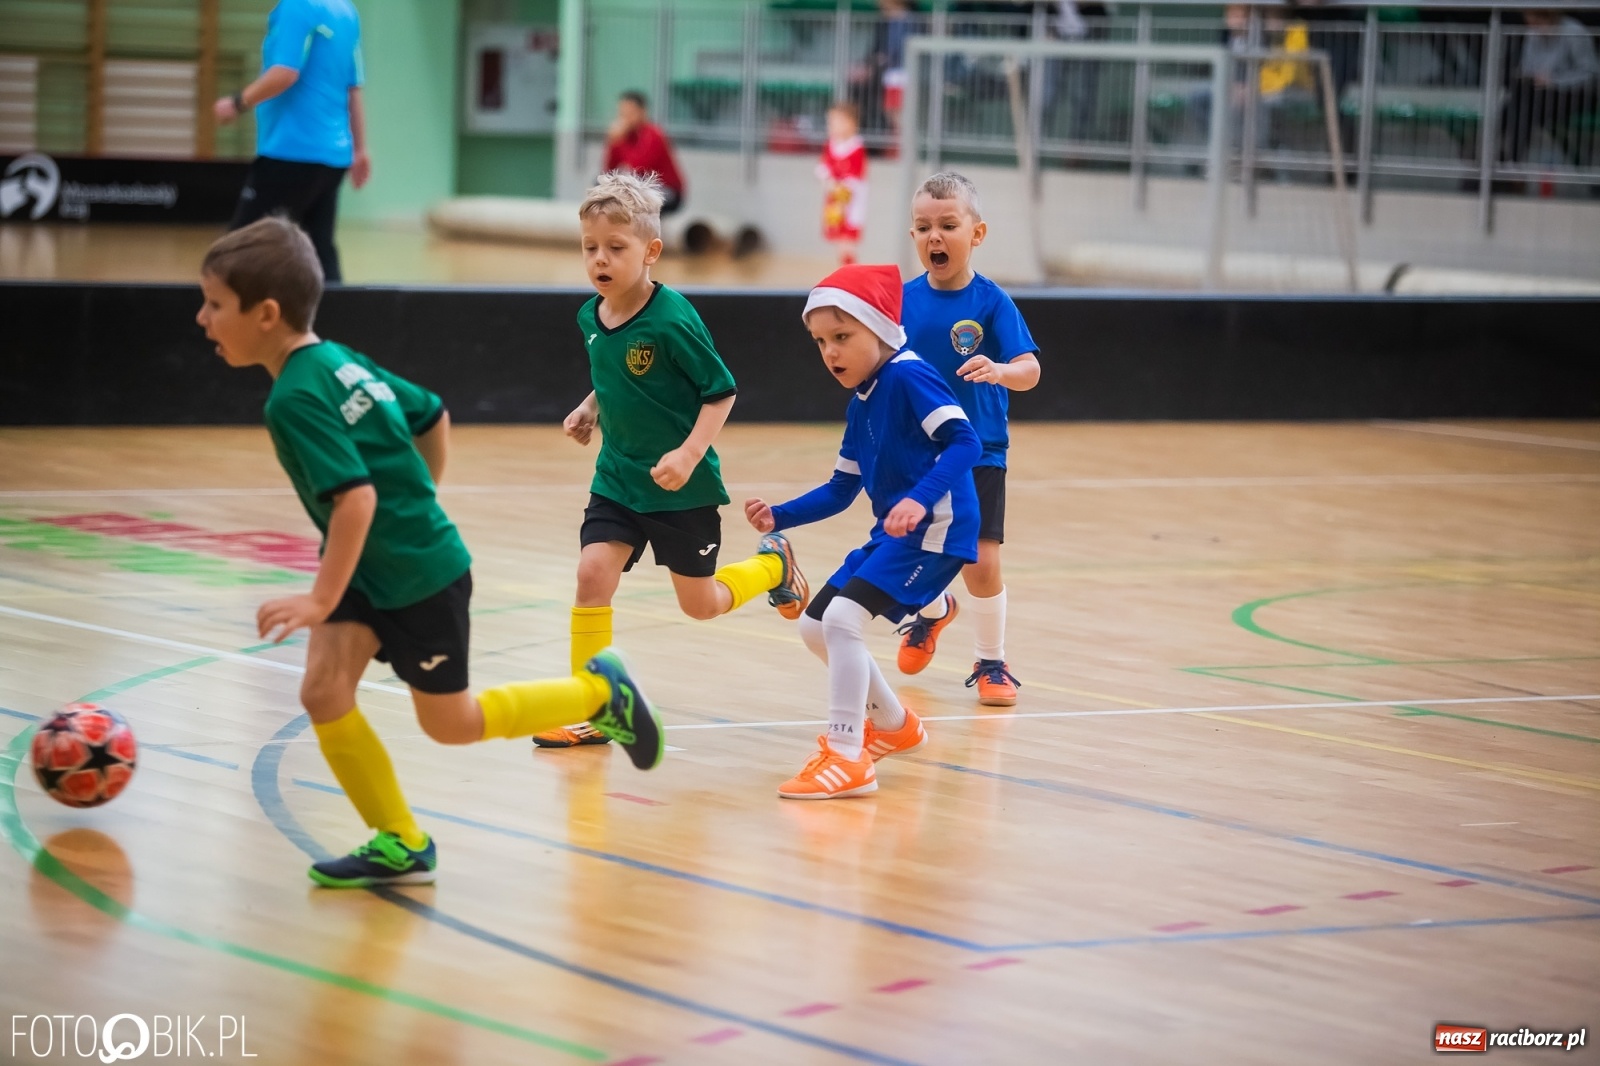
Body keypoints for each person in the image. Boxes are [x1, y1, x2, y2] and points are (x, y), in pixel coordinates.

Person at [196, 217, 664, 887]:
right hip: (372, 565)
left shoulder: (294, 398)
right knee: (324, 691)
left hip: (418, 576)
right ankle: (400, 841)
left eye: (215, 304)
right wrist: (422, 497)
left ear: (265, 314)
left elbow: (354, 500)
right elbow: (433, 414)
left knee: (452, 724)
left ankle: (598, 696)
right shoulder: (338, 361)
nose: (202, 318)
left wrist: (322, 595)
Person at [531, 172, 808, 751]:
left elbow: (721, 391)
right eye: (590, 248)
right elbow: (612, 379)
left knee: (700, 605)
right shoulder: (592, 317)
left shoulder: (674, 318)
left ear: (651, 252)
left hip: (681, 490)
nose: (599, 260)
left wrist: (688, 454)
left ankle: (773, 566)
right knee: (591, 576)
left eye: (615, 248)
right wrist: (588, 409)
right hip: (618, 479)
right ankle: (596, 708)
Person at [745, 263, 981, 799]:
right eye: (821, 341)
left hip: (938, 528)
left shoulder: (909, 374)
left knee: (845, 620)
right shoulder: (862, 402)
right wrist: (779, 516)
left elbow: (964, 441)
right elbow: (839, 490)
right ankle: (895, 726)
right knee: (816, 625)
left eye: (842, 337)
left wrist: (920, 500)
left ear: (878, 329)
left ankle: (848, 754)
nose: (831, 352)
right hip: (898, 531)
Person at [893, 172, 1040, 707]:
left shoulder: (992, 302)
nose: (936, 236)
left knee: (981, 560)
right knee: (912, 553)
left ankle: (992, 661)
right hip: (917, 451)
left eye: (948, 225)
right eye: (924, 227)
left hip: (979, 448)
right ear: (913, 237)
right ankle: (933, 612)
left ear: (976, 234)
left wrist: (1001, 370)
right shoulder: (900, 302)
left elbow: (1030, 370)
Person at [214, 0, 368, 283]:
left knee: (236, 254)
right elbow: (353, 87)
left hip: (291, 152)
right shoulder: (345, 10)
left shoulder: (297, 6)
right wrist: (360, 149)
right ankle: (336, 321)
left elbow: (285, 72)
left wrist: (237, 103)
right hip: (333, 156)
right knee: (318, 255)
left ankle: (216, 327)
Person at [1502, 10, 1600, 168]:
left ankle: (1510, 161)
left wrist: (1555, 80)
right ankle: (1504, 159)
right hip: (1539, 93)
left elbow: (1589, 73)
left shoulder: (1574, 32)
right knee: (1516, 102)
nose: (1533, 28)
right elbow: (1527, 65)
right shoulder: (1533, 34)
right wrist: (1528, 76)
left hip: (1575, 93)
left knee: (1525, 105)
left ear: (1549, 17)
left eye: (1536, 23)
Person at [601, 91, 687, 215]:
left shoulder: (653, 135)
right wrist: (612, 143)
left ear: (642, 112)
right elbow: (609, 171)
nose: (625, 118)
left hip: (667, 191)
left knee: (634, 201)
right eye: (622, 114)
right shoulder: (624, 136)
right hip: (638, 188)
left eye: (630, 113)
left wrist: (619, 141)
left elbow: (638, 167)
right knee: (600, 184)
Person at [817, 101, 868, 265]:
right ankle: (845, 270)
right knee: (840, 239)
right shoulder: (831, 145)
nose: (831, 126)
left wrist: (840, 187)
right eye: (830, 122)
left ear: (851, 124)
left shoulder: (856, 148)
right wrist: (827, 180)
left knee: (848, 239)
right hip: (835, 199)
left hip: (850, 201)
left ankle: (850, 272)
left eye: (836, 122)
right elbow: (823, 167)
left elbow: (855, 178)